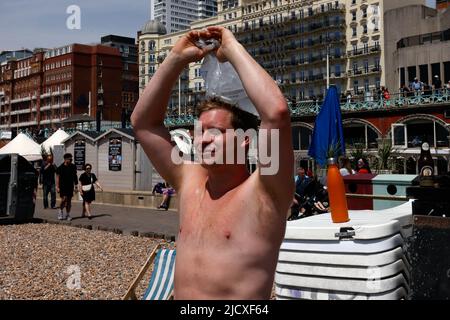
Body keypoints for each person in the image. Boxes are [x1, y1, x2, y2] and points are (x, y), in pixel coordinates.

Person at [131, 26, 294, 299]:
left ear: (245, 140)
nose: (203, 140)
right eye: (199, 131)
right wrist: (176, 57)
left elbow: (276, 113)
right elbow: (143, 124)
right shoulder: (189, 180)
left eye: (215, 132)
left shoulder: (265, 192)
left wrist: (231, 49)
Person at [56, 153, 78, 221]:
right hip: (62, 186)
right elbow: (57, 178)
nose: (71, 160)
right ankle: (60, 211)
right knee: (64, 199)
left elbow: (75, 176)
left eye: (72, 159)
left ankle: (68, 214)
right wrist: (57, 186)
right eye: (70, 159)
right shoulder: (60, 168)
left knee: (69, 201)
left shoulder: (73, 166)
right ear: (65, 159)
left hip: (70, 186)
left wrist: (76, 185)